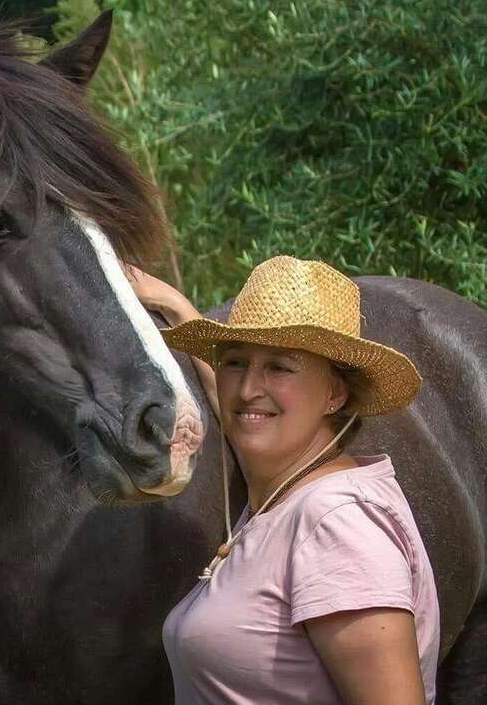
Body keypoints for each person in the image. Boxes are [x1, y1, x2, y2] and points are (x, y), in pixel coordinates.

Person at [126, 256, 440, 705]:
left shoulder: (337, 524)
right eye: (235, 362)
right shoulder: (285, 493)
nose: (249, 386)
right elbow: (247, 411)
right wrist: (177, 307)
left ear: (335, 393)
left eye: (280, 367)